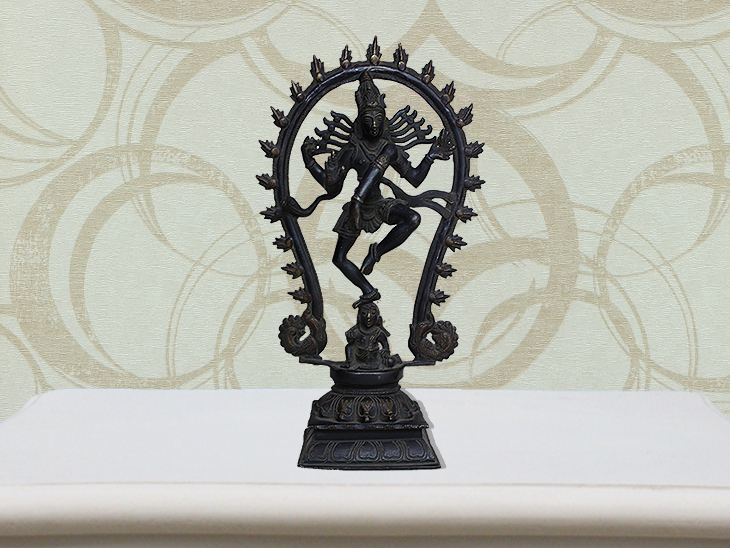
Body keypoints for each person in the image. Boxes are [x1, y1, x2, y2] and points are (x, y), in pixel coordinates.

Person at [300, 72, 454, 308]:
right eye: (368, 119)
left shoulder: (389, 148)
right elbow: (332, 186)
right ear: (360, 122)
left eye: (378, 119)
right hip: (357, 210)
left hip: (378, 205)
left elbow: (414, 179)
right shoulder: (353, 150)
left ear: (384, 120)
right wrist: (310, 162)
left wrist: (430, 157)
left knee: (413, 218)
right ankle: (368, 290)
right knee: (339, 258)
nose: (373, 124)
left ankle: (376, 252)